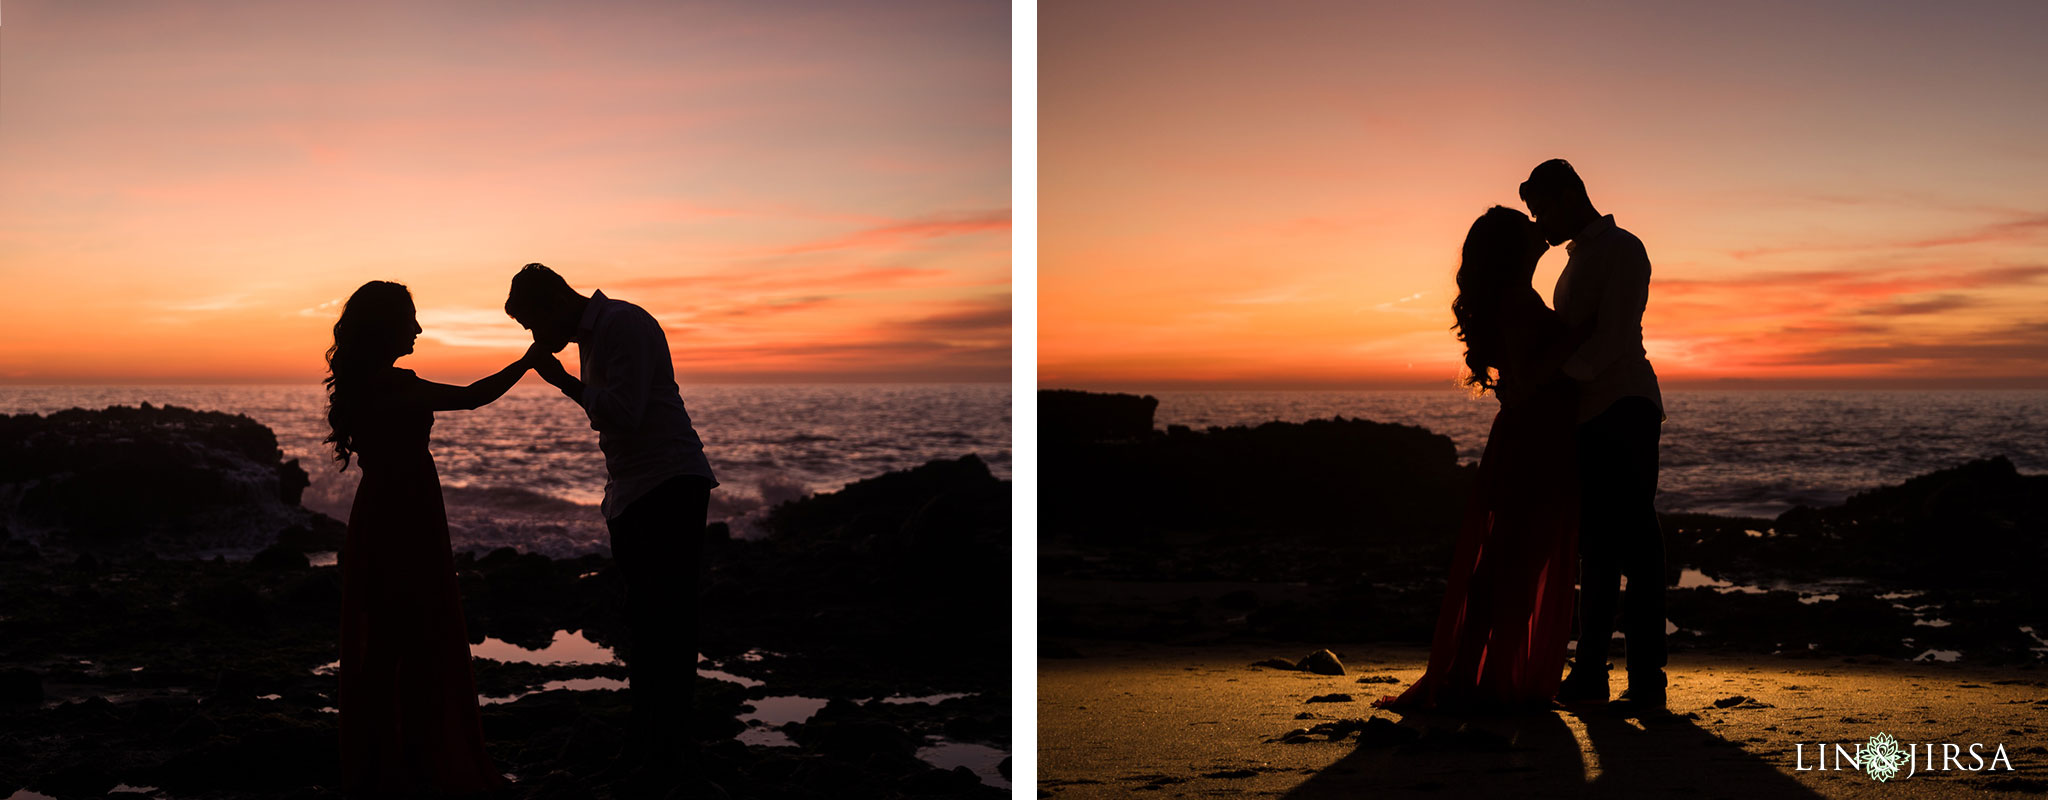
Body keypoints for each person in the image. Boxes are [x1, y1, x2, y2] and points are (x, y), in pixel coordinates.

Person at [503, 263, 718, 772]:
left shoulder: (623, 325)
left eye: (534, 323)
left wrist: (561, 383)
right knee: (648, 618)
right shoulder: (593, 334)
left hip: (668, 483)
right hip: (636, 488)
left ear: (555, 304)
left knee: (666, 621)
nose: (538, 338)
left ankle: (666, 742)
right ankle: (655, 737)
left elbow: (624, 413)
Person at [1374, 206, 1586, 712]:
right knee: (1516, 561)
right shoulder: (1516, 300)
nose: (1540, 229)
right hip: (1537, 440)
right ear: (1514, 248)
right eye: (1527, 225)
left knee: (1505, 562)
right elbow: (1529, 380)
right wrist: (1577, 338)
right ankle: (1492, 682)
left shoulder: (1510, 299)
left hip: (1529, 438)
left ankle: (1479, 674)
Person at [324, 280, 523, 796]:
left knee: (392, 642)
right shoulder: (392, 387)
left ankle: (384, 762)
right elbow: (474, 398)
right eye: (409, 318)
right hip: (402, 517)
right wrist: (528, 362)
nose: (417, 328)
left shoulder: (365, 385)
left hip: (385, 511)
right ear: (385, 326)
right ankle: (399, 767)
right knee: (404, 640)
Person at [1520, 159, 1668, 712]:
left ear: (1567, 196)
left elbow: (1613, 337)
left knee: (1636, 542)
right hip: (1586, 411)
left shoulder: (1623, 248)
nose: (1538, 222)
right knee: (1598, 546)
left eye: (1541, 209)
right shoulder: (1574, 260)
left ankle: (1648, 680)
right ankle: (1589, 677)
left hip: (1626, 403)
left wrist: (1553, 382)